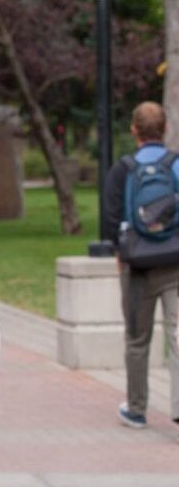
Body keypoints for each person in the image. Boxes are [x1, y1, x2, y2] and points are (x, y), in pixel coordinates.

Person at [104, 101, 179, 431]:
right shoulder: (176, 165)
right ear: (164, 129)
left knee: (137, 340)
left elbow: (110, 220)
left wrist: (121, 253)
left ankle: (136, 409)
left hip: (137, 267)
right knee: (178, 338)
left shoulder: (123, 168)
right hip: (176, 262)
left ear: (134, 130)